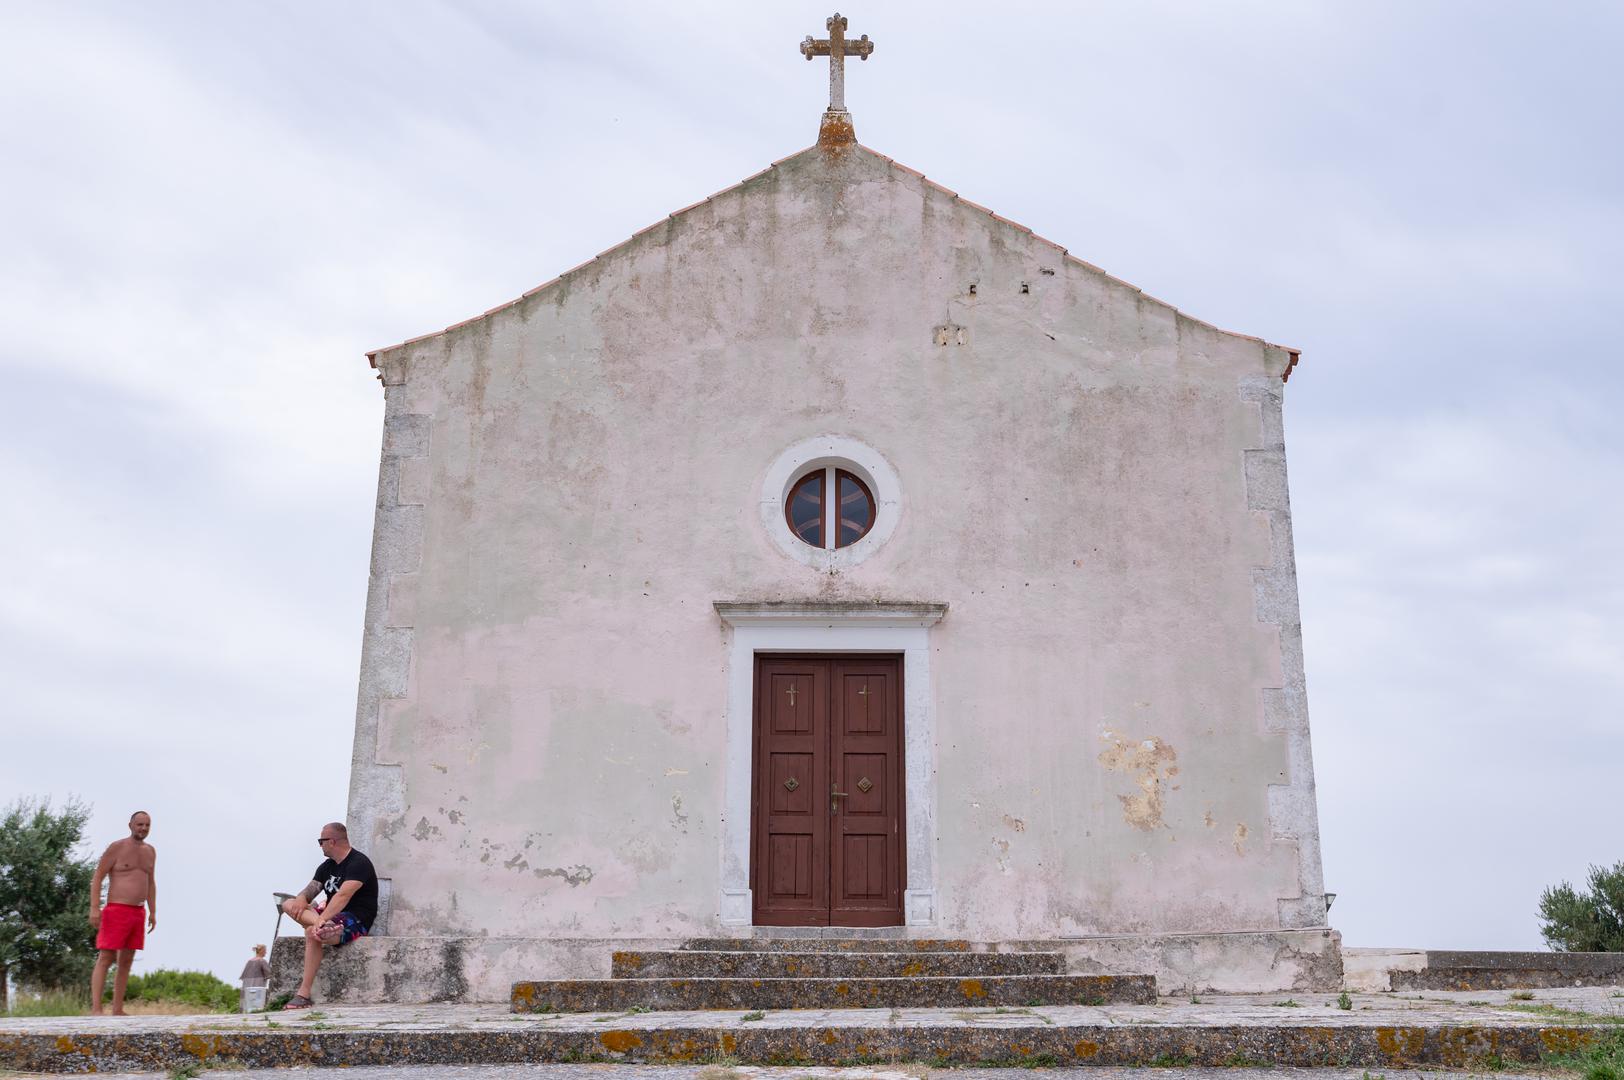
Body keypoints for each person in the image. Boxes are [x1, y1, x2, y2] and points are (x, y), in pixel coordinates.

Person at [278, 821, 378, 1009]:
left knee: (311, 932)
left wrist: (321, 920)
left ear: (331, 841)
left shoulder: (359, 863)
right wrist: (301, 899)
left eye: (321, 841)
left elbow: (342, 896)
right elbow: (310, 891)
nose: (320, 845)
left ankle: (303, 995)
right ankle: (323, 926)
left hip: (355, 919)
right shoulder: (327, 867)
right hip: (329, 918)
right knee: (287, 904)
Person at [88, 811, 158, 1016]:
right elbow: (98, 876)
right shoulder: (117, 847)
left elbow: (150, 882)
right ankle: (96, 1008)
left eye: (147, 825)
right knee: (106, 957)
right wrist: (94, 907)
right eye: (140, 824)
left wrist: (153, 911)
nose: (143, 828)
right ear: (130, 825)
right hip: (116, 909)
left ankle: (117, 1008)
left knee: (127, 960)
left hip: (138, 912)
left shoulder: (150, 851)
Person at [240, 944, 272, 1009]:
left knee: (248, 1001)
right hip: (258, 983)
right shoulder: (262, 961)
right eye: (265, 950)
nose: (266, 952)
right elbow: (269, 973)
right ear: (261, 951)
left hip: (247, 984)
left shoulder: (249, 961)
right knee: (257, 1000)